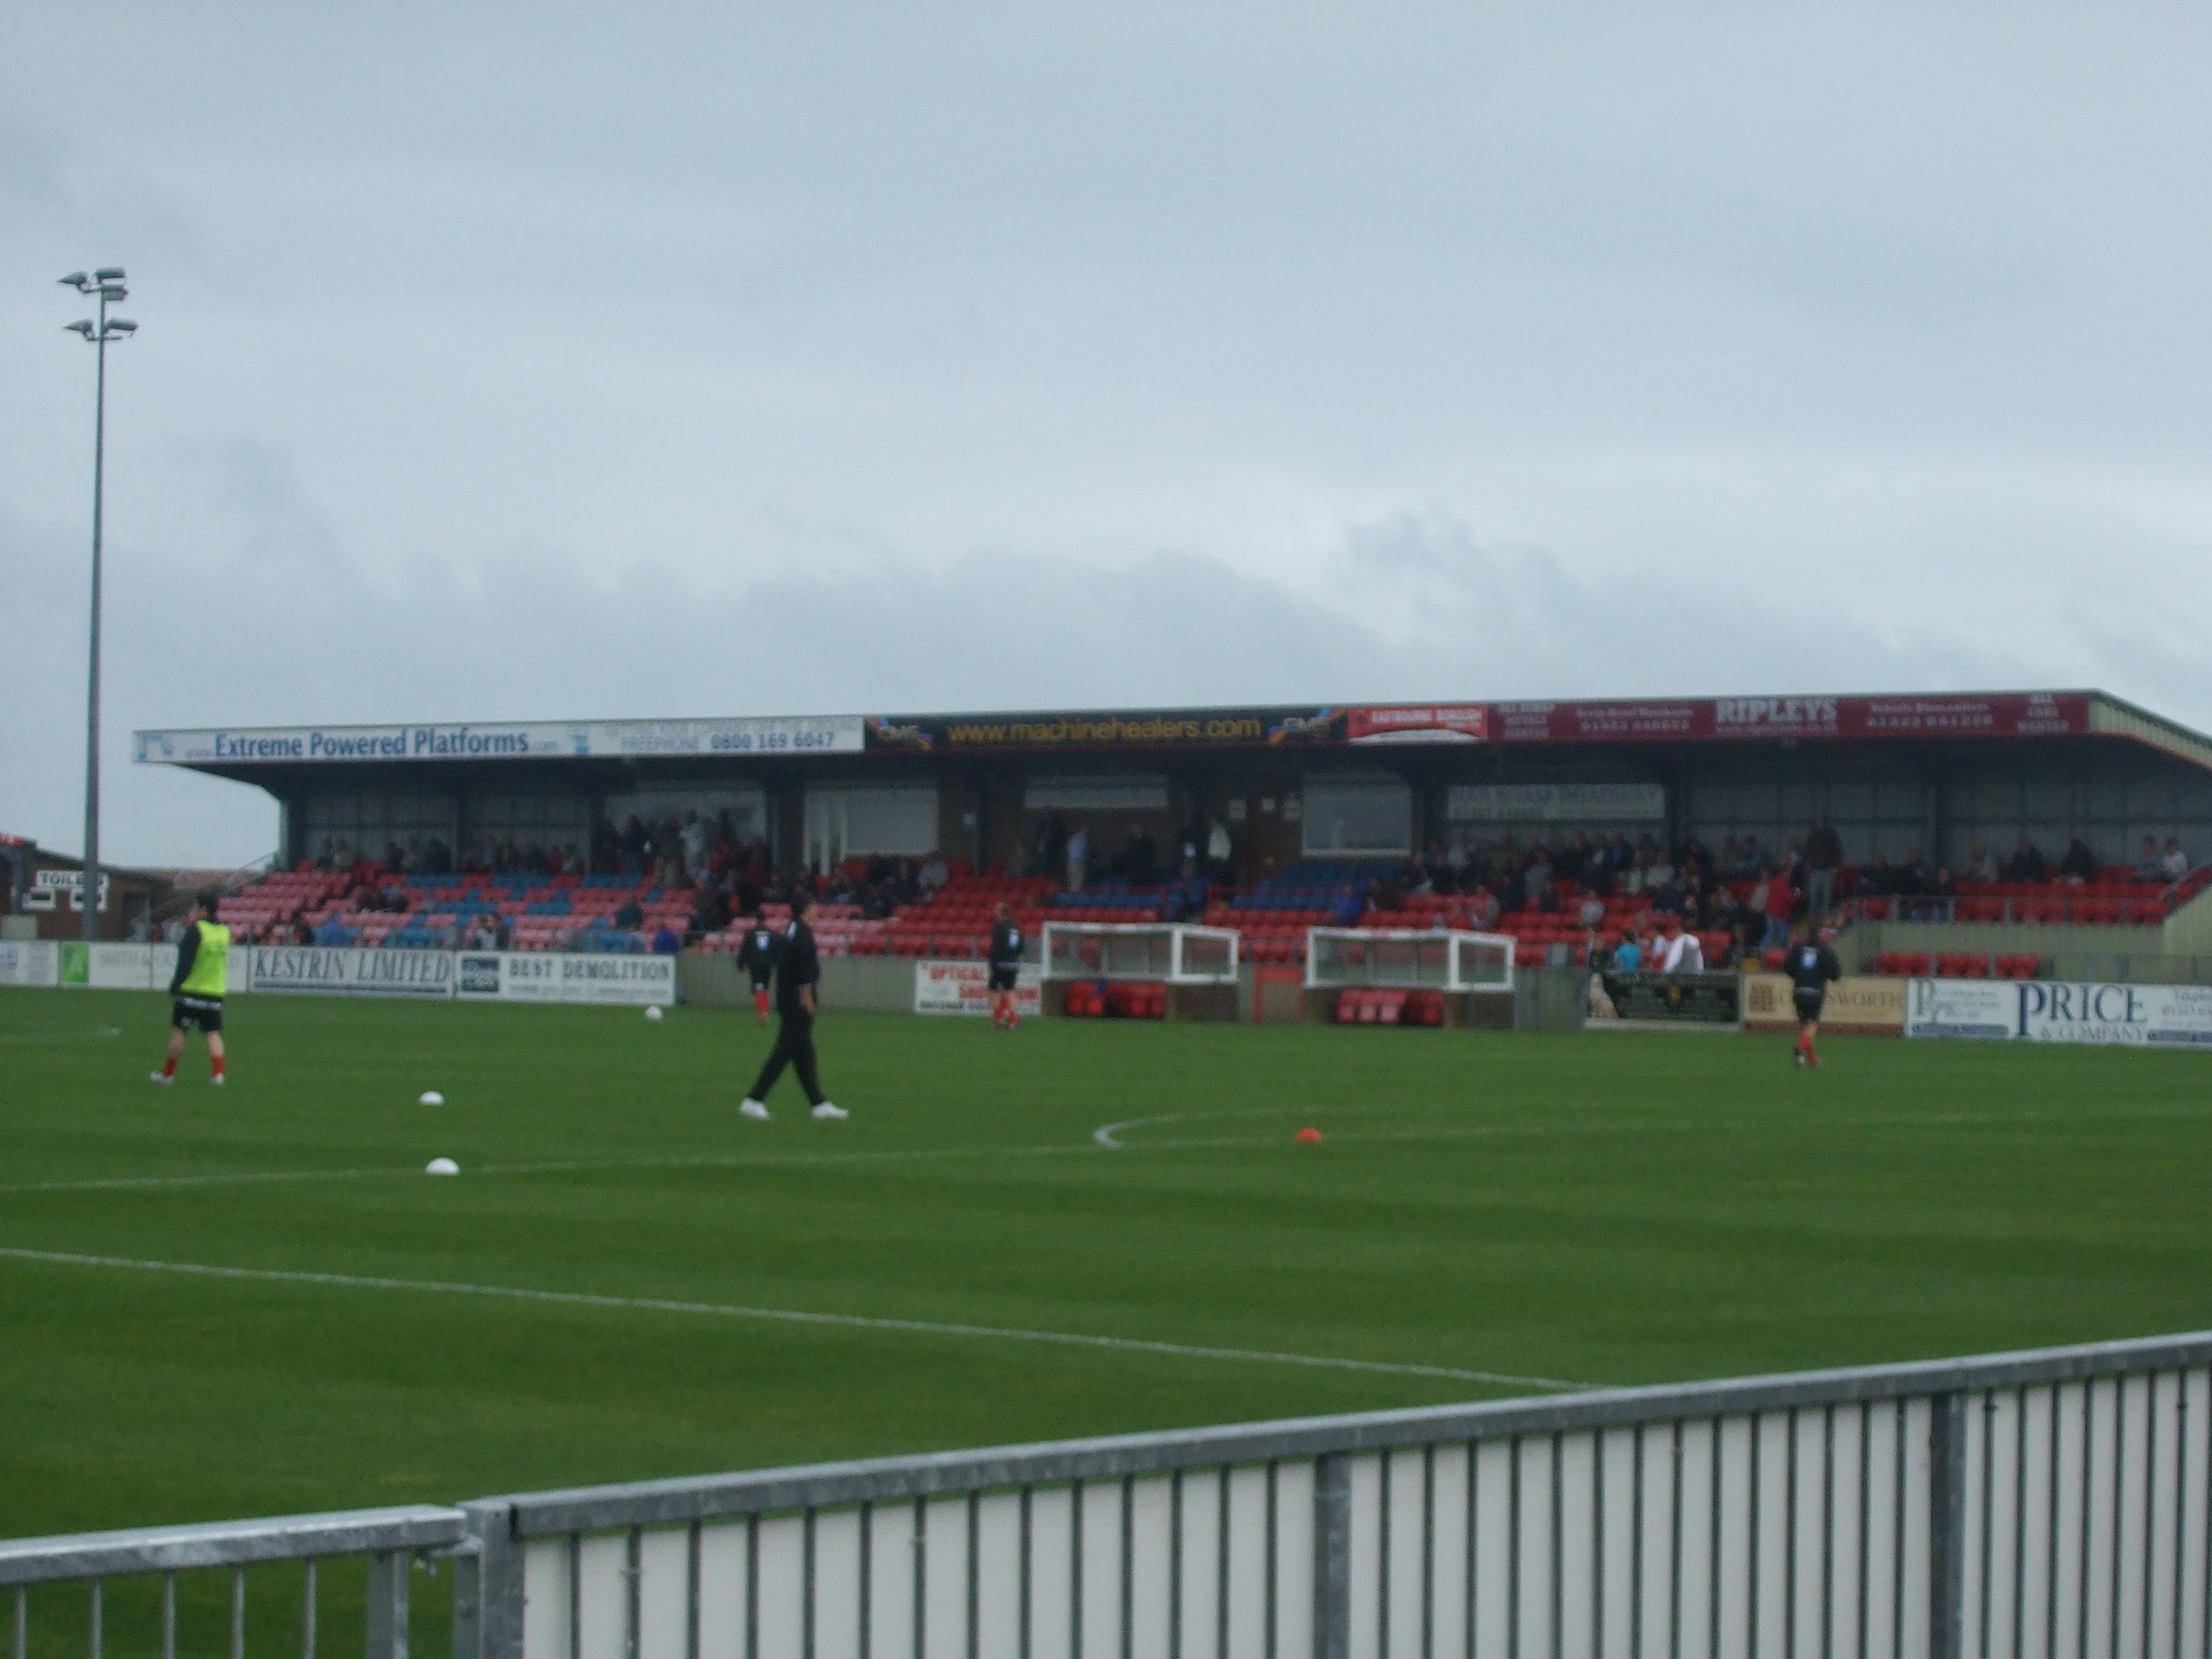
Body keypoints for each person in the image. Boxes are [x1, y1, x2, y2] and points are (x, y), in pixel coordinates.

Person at [739, 889, 845, 1121]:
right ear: (806, 908)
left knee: (804, 1054)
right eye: (814, 905)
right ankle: (754, 1099)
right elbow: (802, 969)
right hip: (796, 1002)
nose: (816, 909)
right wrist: (806, 996)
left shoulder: (790, 930)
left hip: (788, 999)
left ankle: (818, 1103)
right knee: (784, 1051)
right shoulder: (802, 934)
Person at [153, 889, 231, 1086]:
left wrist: (176, 985)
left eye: (195, 907)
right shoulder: (224, 932)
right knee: (212, 1033)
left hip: (192, 991)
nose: (193, 910)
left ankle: (168, 1075)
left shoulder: (196, 930)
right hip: (215, 991)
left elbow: (185, 962)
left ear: (204, 910)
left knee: (180, 1031)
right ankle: (218, 1074)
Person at [1784, 922, 1843, 1069]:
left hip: (1799, 991)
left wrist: (1799, 976)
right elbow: (1835, 974)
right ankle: (1799, 1046)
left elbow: (1787, 968)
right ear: (1820, 934)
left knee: (1805, 1026)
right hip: (1815, 992)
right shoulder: (1825, 950)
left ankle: (1812, 1060)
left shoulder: (1798, 948)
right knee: (1812, 1025)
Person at [986, 900, 1024, 1031]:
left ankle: (999, 1017)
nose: (995, 914)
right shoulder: (1016, 928)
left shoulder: (999, 928)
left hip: (1000, 963)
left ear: (1002, 914)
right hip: (1013, 963)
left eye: (997, 911)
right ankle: (1014, 1018)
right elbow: (1020, 947)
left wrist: (992, 964)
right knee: (1010, 990)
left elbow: (996, 947)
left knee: (992, 990)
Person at [736, 909, 778, 1023]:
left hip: (755, 964)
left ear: (756, 920)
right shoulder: (771, 933)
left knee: (759, 988)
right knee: (764, 988)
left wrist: (740, 964)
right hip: (768, 965)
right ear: (765, 920)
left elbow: (745, 949)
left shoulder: (750, 934)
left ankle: (763, 1012)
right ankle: (763, 1011)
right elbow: (776, 949)